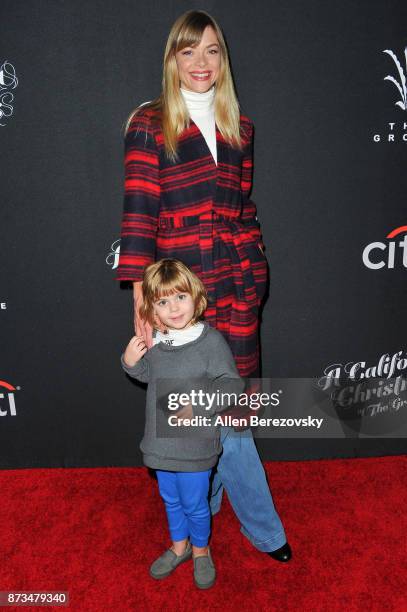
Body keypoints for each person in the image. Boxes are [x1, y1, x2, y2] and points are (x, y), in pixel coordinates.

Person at [117, 9, 292, 562]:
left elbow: (245, 204)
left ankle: (213, 503)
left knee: (231, 407)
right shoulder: (148, 123)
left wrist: (255, 257)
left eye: (212, 50)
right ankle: (266, 529)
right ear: (172, 59)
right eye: (188, 51)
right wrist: (143, 305)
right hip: (181, 294)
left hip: (237, 280)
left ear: (224, 59)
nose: (201, 62)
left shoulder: (241, 126)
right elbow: (139, 217)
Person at [120, 258, 245, 589]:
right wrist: (131, 363)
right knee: (171, 500)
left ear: (196, 297)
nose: (173, 308)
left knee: (194, 503)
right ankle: (180, 547)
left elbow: (232, 383)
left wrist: (200, 406)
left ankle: (201, 551)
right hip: (160, 444)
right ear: (152, 309)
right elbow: (150, 377)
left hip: (195, 444)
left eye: (180, 297)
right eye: (163, 301)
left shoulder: (210, 341)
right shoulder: (158, 342)